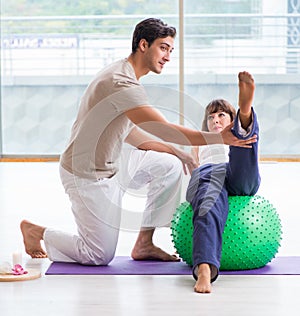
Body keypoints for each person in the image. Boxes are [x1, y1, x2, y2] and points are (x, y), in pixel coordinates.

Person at [20, 18, 256, 266]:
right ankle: (38, 232)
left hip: (115, 166)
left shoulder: (124, 73)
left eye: (170, 50)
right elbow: (164, 129)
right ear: (144, 44)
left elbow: (132, 134)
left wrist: (179, 152)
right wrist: (218, 137)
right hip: (86, 175)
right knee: (98, 255)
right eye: (163, 48)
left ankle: (144, 242)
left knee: (170, 165)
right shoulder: (121, 83)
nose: (167, 56)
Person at [186, 71, 261, 293]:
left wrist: (235, 138)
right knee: (208, 201)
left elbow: (249, 164)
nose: (215, 120)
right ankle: (205, 269)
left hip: (238, 174)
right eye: (211, 117)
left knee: (244, 144)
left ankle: (244, 114)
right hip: (210, 173)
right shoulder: (201, 141)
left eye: (221, 115)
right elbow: (194, 169)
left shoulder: (231, 137)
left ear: (229, 118)